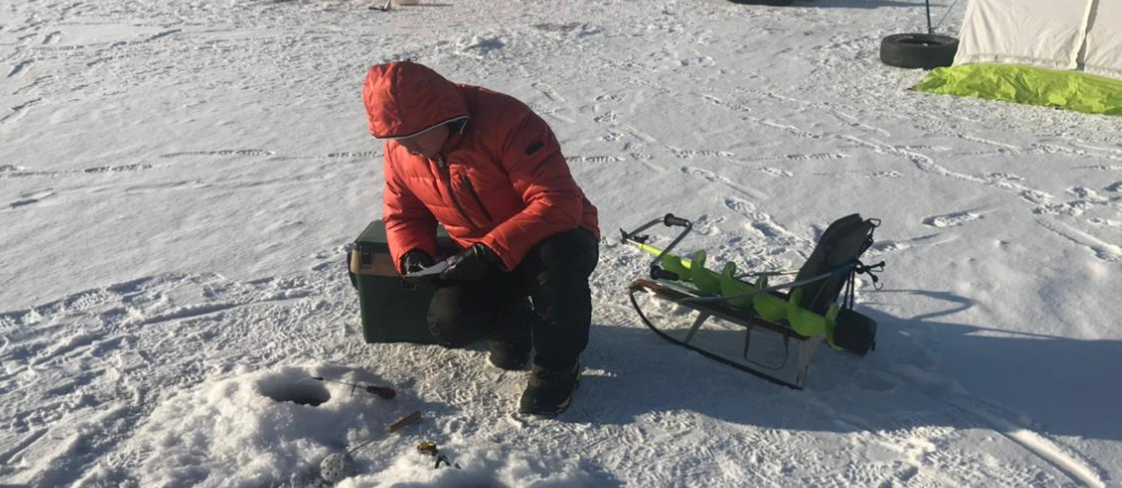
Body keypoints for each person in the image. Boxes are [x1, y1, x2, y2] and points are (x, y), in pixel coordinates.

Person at [361, 61, 600, 416]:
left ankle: (558, 367)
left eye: (413, 138)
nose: (406, 147)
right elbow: (403, 214)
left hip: (555, 234)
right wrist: (411, 254)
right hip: (478, 250)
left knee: (556, 266)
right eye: (396, 139)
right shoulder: (402, 148)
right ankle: (514, 327)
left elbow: (557, 202)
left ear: (440, 118)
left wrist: (490, 250)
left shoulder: (507, 121)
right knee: (449, 321)